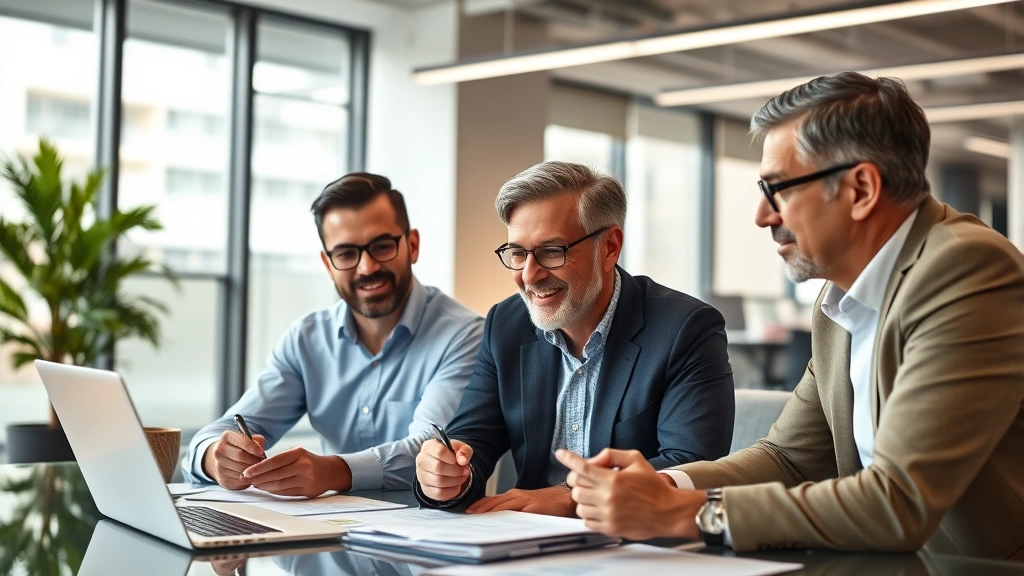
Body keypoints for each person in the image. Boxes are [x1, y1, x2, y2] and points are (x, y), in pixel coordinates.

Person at [557, 72, 1024, 560]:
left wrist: (684, 514)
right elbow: (789, 459)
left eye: (777, 188)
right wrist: (660, 486)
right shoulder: (838, 300)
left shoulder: (965, 269)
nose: (762, 215)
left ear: (861, 188)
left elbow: (897, 501)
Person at [414, 161, 735, 516]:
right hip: (525, 546)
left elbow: (691, 464)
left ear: (610, 246)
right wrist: (446, 473)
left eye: (552, 251)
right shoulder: (505, 324)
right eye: (518, 253)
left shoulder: (685, 328)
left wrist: (569, 495)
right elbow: (474, 440)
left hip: (638, 546)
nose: (529, 275)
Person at [182, 173, 483, 496]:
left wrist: (333, 471)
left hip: (430, 534)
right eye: (346, 254)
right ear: (328, 264)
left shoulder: (465, 336)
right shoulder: (307, 340)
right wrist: (216, 457)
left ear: (412, 246)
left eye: (382, 247)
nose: (367, 267)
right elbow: (226, 428)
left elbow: (432, 454)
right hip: (328, 536)